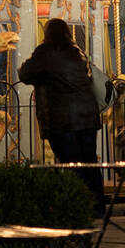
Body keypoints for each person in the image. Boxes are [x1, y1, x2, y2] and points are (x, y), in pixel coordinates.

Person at [19, 18, 105, 216]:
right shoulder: (77, 52)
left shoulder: (45, 52)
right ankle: (97, 206)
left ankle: (77, 206)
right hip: (87, 116)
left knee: (71, 163)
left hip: (63, 118)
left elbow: (25, 73)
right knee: (89, 161)